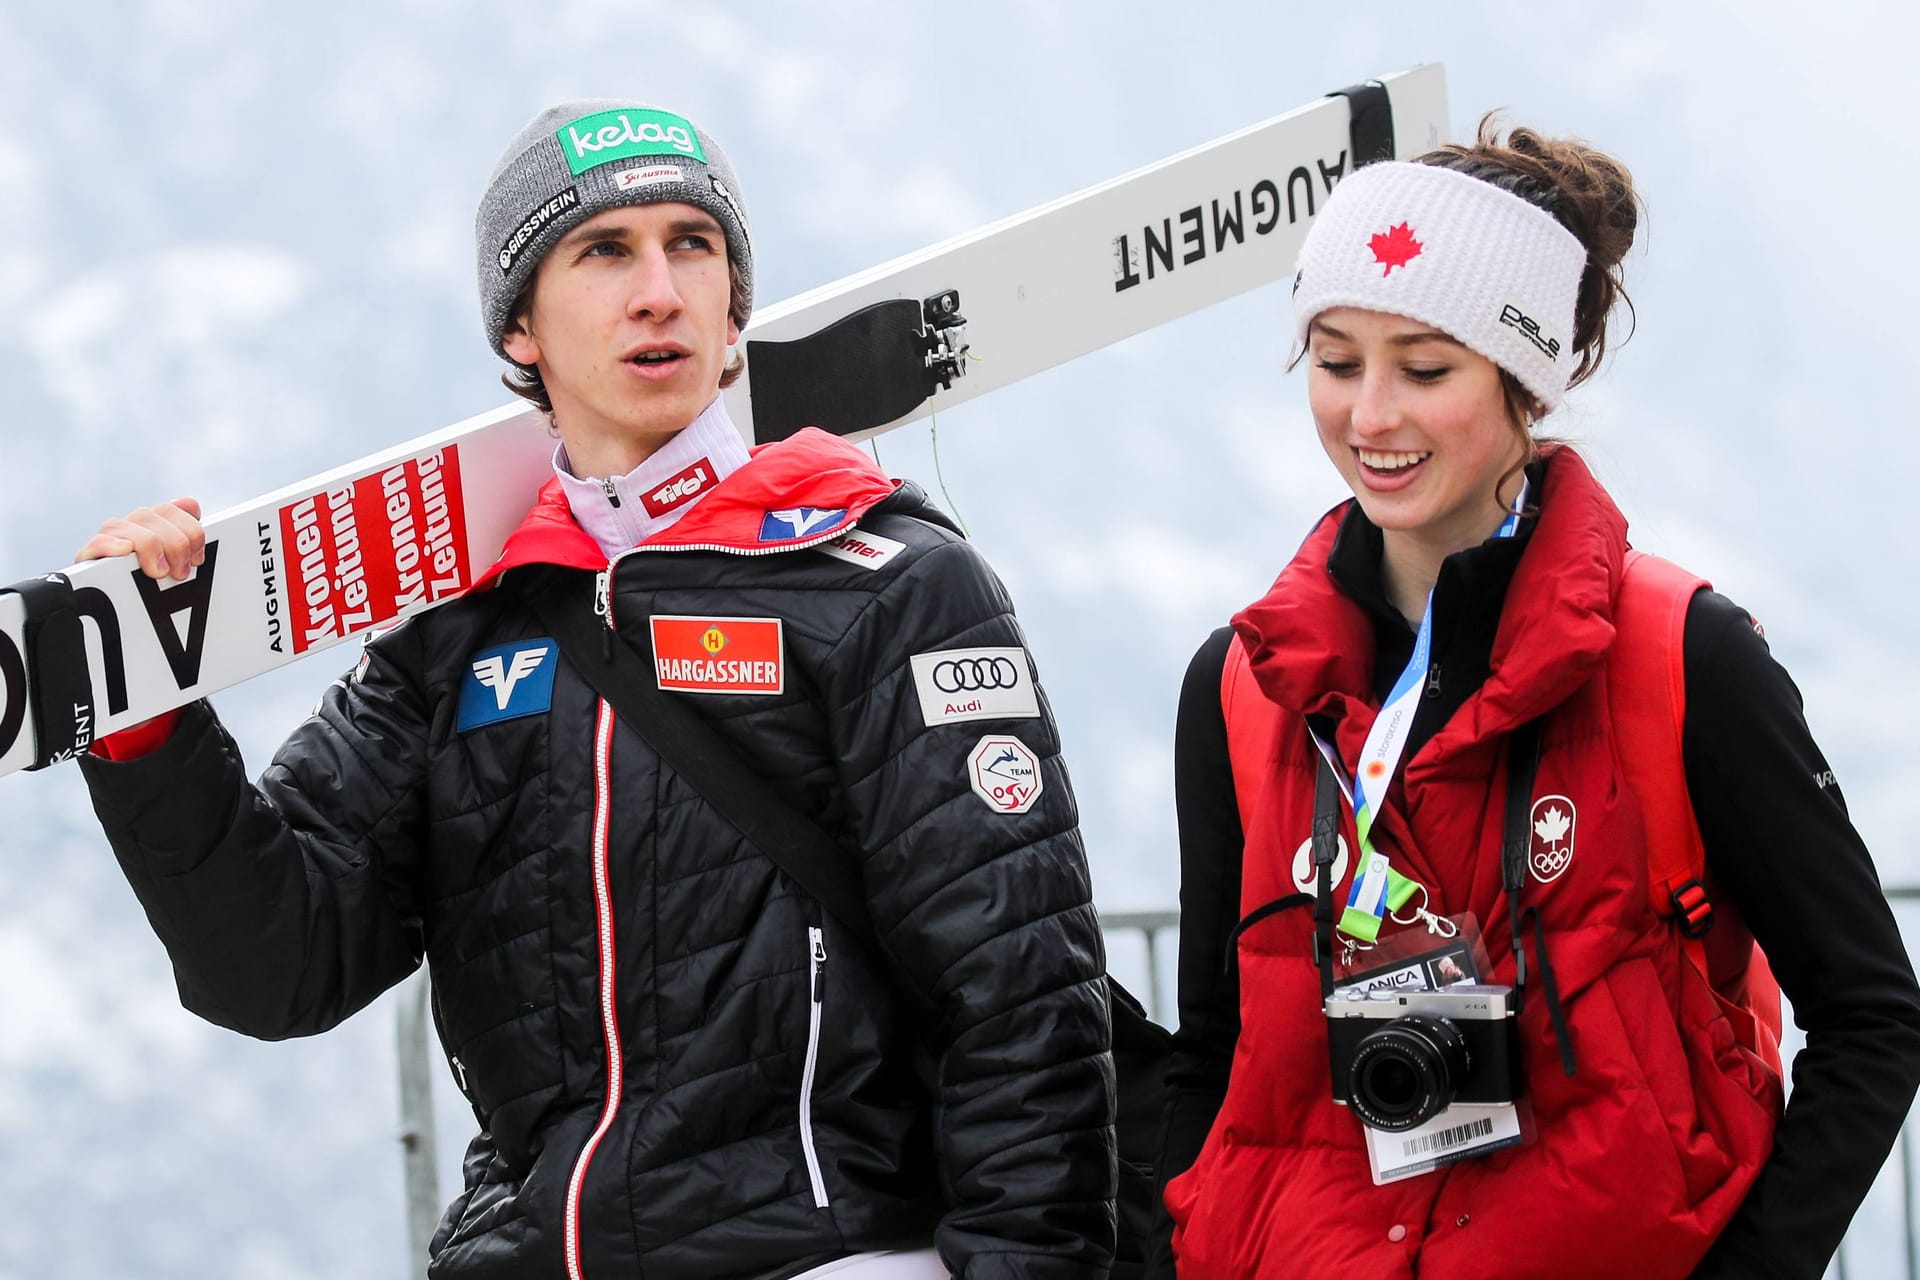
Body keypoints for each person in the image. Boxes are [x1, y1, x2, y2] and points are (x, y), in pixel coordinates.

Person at [72, 100, 1116, 1280]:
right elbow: (277, 963)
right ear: (521, 327)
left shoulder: (885, 583)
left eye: (693, 244)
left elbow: (1021, 999)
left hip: (833, 1250)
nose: (660, 288)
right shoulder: (460, 631)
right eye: (605, 251)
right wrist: (148, 710)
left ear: (733, 305)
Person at [1149, 120, 1920, 1278]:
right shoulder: (1243, 687)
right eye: (1335, 358)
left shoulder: (1680, 659)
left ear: (1529, 380)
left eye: (1424, 367)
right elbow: (1217, 1059)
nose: (1369, 417)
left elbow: (1871, 1015)